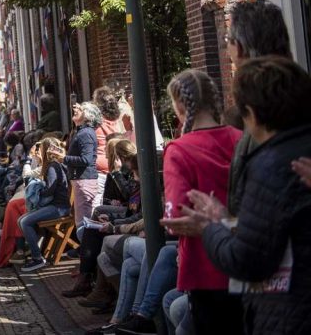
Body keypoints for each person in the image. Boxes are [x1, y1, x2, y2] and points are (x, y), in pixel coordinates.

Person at [163, 56, 311, 334]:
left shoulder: (181, 150)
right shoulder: (241, 140)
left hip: (215, 266)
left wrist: (212, 224)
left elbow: (176, 215)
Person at [137, 68, 241, 335]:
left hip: (206, 266)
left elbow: (174, 220)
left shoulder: (180, 149)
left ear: (180, 105)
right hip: (245, 259)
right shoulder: (241, 139)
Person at [224, 0, 292, 215]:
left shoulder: (256, 108)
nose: (227, 50)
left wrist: (213, 226)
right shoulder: (298, 88)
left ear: (240, 48)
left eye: (227, 40)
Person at [66, 138, 141, 300]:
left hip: (131, 221)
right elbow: (118, 200)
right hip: (127, 214)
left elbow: (132, 203)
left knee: (99, 232)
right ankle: (87, 276)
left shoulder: (131, 171)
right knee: (97, 219)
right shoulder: (129, 173)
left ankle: (87, 276)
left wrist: (114, 224)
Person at [18, 137, 70, 272]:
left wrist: (38, 192)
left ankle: (37, 258)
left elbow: (50, 189)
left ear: (46, 150)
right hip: (55, 206)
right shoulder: (53, 165)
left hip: (59, 208)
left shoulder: (52, 166)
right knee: (21, 220)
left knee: (25, 222)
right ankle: (35, 250)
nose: (39, 151)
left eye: (41, 149)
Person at [65, 102, 101, 233]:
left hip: (84, 181)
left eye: (80, 108)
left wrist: (62, 158)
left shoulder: (85, 133)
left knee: (83, 225)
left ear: (87, 116)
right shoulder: (82, 132)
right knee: (83, 223)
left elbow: (86, 159)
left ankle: (87, 252)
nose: (75, 109)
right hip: (81, 180)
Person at [92, 86, 123, 194]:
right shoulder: (120, 120)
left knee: (100, 204)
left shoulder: (96, 123)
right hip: (117, 166)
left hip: (99, 170)